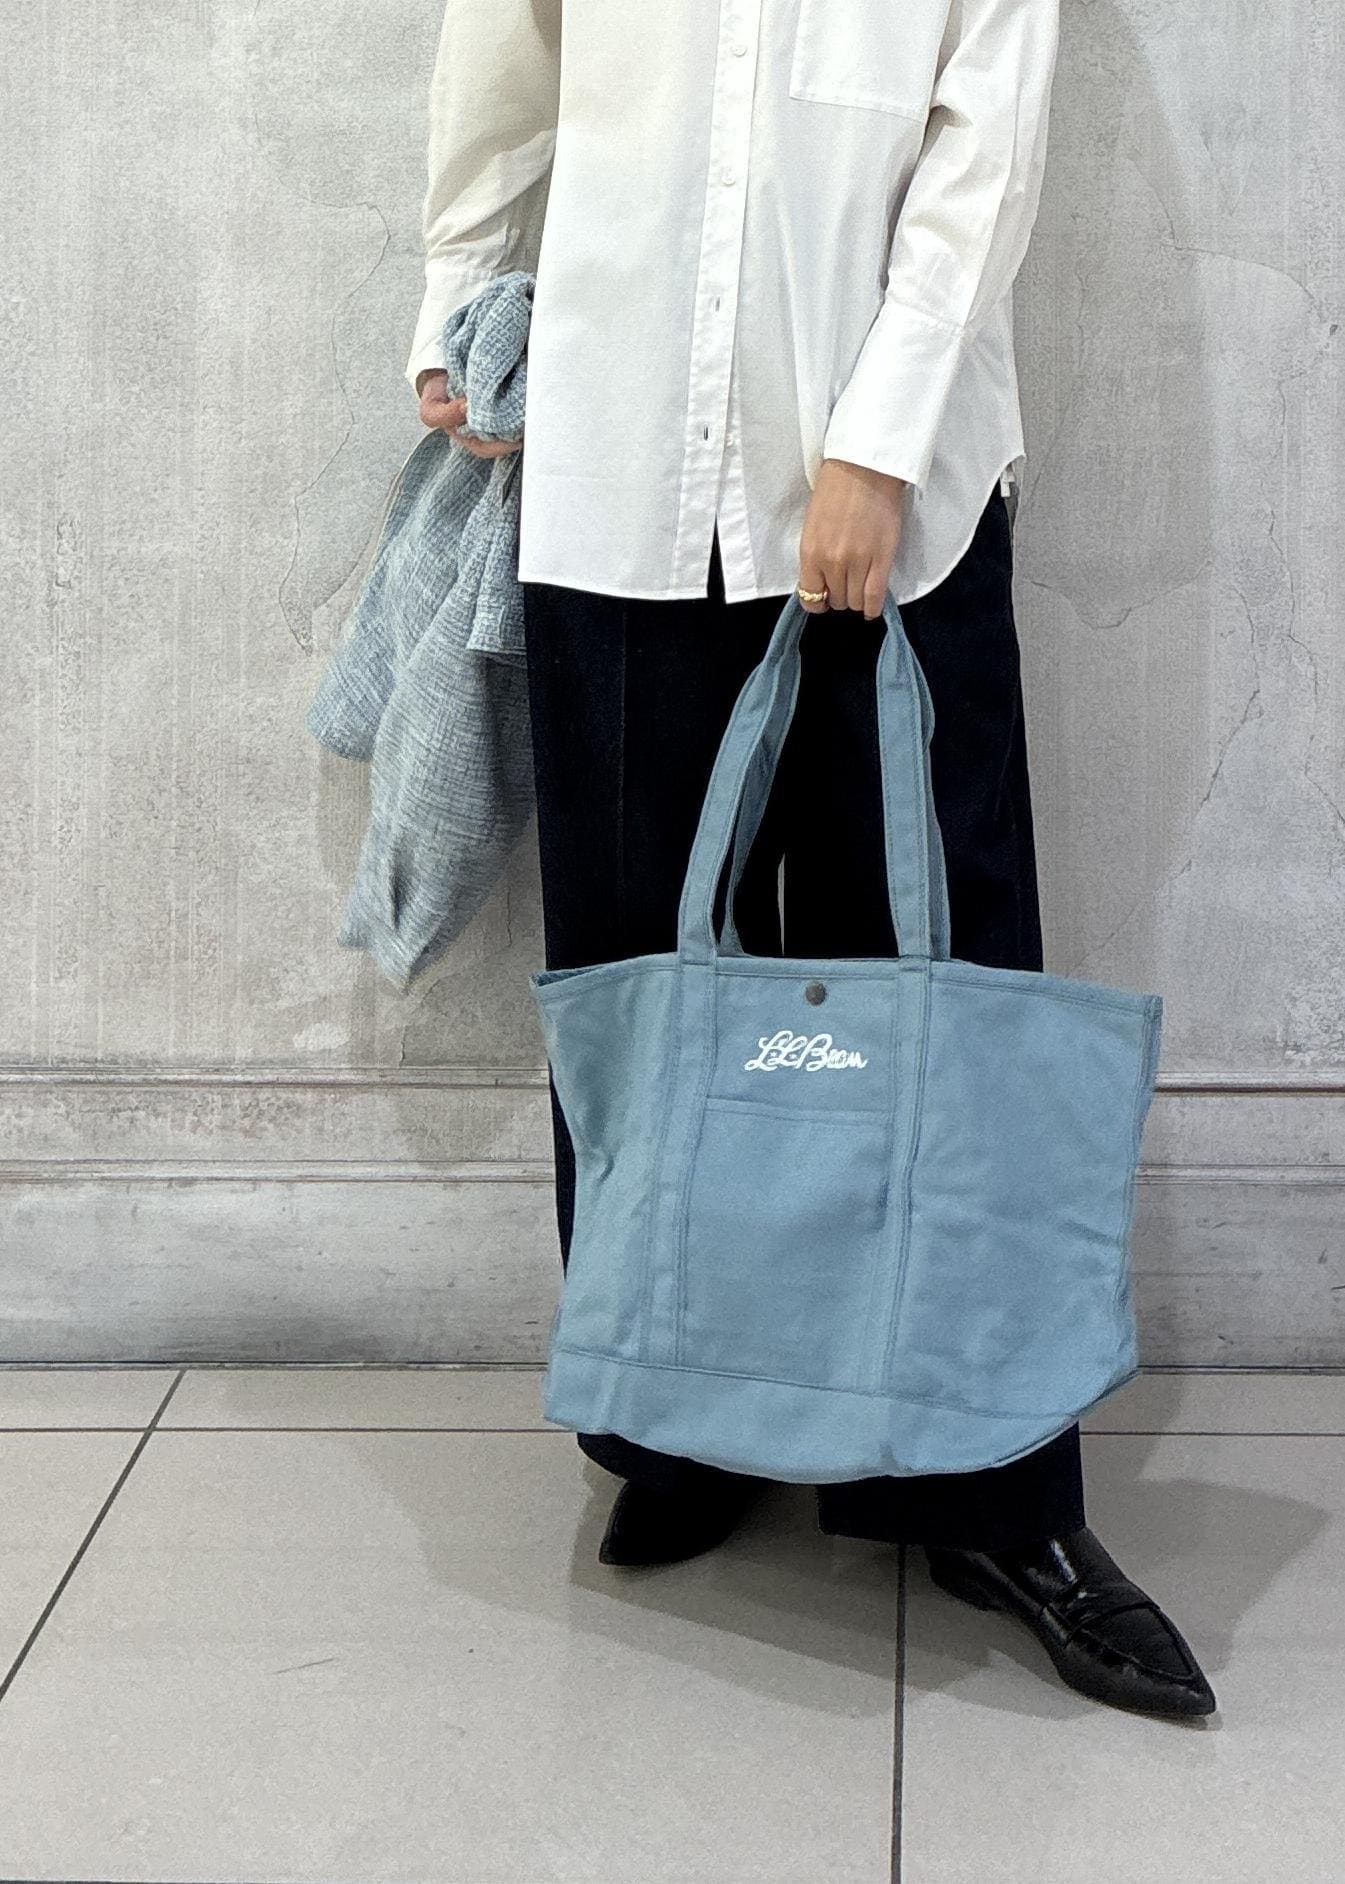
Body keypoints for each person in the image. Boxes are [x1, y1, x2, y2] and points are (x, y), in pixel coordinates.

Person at [405, 0, 1216, 1720]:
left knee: (933, 978)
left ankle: (987, 1495)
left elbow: (983, 148)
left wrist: (874, 443)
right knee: (640, 981)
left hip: (886, 493)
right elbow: (503, 55)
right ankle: (678, 1424)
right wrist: (455, 299)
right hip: (620, 462)